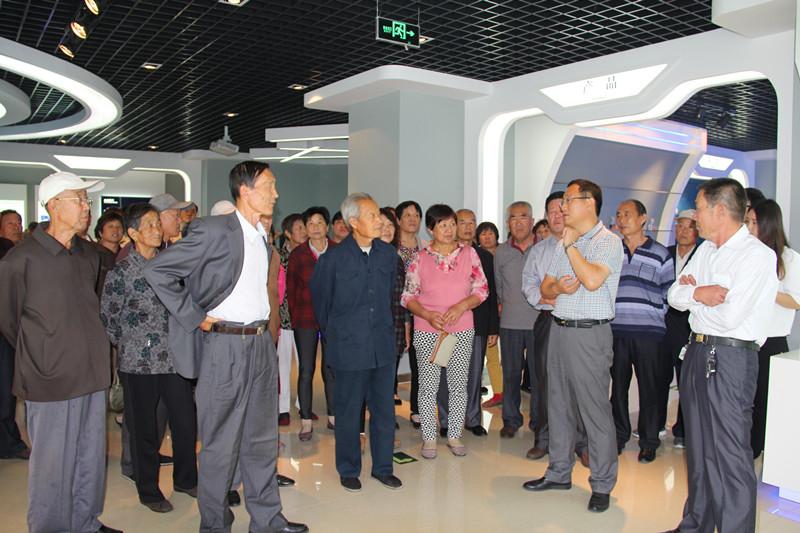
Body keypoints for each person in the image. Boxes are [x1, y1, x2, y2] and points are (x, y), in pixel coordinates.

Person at [144, 161, 307, 533]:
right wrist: (194, 315)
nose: (276, 193)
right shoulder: (214, 229)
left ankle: (267, 519)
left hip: (260, 344)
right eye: (269, 186)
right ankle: (215, 523)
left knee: (262, 439)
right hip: (224, 346)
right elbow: (158, 270)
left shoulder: (262, 237)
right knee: (219, 442)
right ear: (245, 191)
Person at [0, 171, 122, 533]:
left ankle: (85, 522)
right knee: (52, 464)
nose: (86, 207)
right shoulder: (20, 259)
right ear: (53, 205)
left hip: (92, 372)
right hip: (50, 378)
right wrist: (44, 352)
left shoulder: (89, 255)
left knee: (89, 456)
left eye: (86, 200)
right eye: (78, 200)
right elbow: (8, 321)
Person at [664, 178, 777, 533]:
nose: (694, 217)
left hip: (731, 358)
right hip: (697, 351)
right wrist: (701, 294)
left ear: (719, 210)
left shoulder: (757, 256)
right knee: (698, 449)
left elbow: (730, 317)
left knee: (729, 454)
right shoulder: (706, 251)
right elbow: (674, 296)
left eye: (698, 209)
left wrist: (694, 297)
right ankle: (696, 524)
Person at [523, 179, 623, 515]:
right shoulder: (566, 242)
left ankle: (603, 483)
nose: (562, 207)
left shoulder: (608, 242)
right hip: (560, 329)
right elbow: (547, 287)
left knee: (594, 411)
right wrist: (560, 288)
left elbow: (592, 280)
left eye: (568, 200)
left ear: (589, 202)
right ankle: (558, 472)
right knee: (558, 405)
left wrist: (570, 249)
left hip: (590, 334)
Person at [101, 203, 198, 513]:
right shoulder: (121, 272)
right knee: (144, 429)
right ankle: (149, 490)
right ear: (133, 233)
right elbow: (109, 318)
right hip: (139, 362)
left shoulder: (171, 264)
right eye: (150, 225)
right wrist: (134, 342)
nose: (157, 230)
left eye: (158, 223)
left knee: (185, 421)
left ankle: (186, 479)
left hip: (174, 357)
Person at [310, 193, 402, 492]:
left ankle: (383, 468)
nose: (380, 221)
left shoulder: (388, 255)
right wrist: (338, 338)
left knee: (384, 411)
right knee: (349, 413)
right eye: (372, 216)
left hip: (382, 346)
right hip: (349, 348)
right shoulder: (332, 260)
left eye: (379, 215)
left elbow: (390, 297)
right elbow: (322, 305)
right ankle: (349, 468)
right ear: (354, 222)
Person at [401, 204, 489, 459]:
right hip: (428, 330)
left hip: (461, 329)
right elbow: (407, 297)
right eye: (443, 225)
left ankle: (454, 435)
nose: (450, 229)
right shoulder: (420, 258)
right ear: (431, 229)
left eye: (452, 224)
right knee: (428, 387)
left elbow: (482, 289)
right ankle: (429, 438)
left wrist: (461, 306)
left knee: (458, 385)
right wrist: (427, 314)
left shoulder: (469, 254)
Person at [522, 191, 590, 467]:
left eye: (561, 209)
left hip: (579, 322)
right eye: (551, 211)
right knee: (544, 381)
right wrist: (544, 298)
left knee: (579, 381)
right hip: (548, 320)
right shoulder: (538, 251)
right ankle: (543, 438)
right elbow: (528, 283)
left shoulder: (587, 245)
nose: (556, 215)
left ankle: (582, 442)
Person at [610, 199, 674, 463]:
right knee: (618, 387)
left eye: (627, 214)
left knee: (650, 388)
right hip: (617, 330)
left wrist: (653, 315)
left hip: (649, 332)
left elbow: (669, 292)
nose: (621, 219)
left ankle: (649, 441)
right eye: (618, 214)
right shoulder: (612, 251)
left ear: (643, 219)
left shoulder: (660, 253)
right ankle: (618, 435)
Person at [436, 209, 498, 437]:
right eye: (462, 222)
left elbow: (491, 294)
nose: (468, 226)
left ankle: (472, 419)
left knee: (473, 375)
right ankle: (446, 420)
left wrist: (493, 328)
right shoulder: (442, 254)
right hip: (448, 325)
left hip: (477, 324)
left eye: (472, 222)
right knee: (445, 374)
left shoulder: (485, 257)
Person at [745, 199, 799, 459]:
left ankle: (758, 450)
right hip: (746, 338)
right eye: (747, 221)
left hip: (773, 341)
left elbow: (796, 300)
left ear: (768, 224)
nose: (749, 227)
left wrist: (768, 289)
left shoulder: (789, 258)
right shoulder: (748, 255)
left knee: (765, 402)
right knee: (745, 400)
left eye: (754, 222)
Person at [288, 206, 337, 440]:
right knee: (306, 370)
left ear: (327, 226)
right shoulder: (298, 255)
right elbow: (291, 290)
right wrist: (295, 318)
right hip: (305, 318)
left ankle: (333, 416)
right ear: (306, 228)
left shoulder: (337, 251)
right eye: (310, 223)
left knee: (331, 369)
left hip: (333, 319)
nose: (315, 227)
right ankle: (306, 421)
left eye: (320, 222)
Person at [494, 201, 539, 438]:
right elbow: (498, 287)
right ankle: (511, 419)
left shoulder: (544, 247)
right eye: (513, 218)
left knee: (539, 375)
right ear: (507, 223)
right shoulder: (501, 252)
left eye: (523, 217)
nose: (518, 222)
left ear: (532, 221)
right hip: (510, 322)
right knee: (511, 373)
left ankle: (538, 421)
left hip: (539, 322)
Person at [658, 209, 700, 449]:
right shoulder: (665, 253)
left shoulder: (703, 255)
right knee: (659, 376)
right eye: (680, 226)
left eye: (689, 227)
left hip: (688, 325)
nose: (683, 231)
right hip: (663, 323)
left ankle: (683, 430)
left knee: (686, 380)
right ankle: (656, 424)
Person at [0, 209, 30, 462]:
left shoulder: (22, 252)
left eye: (18, 222)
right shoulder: (7, 252)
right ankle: (9, 442)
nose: (16, 226)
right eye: (10, 223)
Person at [274, 214, 307, 426]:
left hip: (304, 319)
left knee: (306, 366)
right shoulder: (279, 257)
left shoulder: (308, 255)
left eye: (305, 227)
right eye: (299, 228)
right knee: (283, 366)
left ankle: (304, 405)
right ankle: (283, 408)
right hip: (284, 319)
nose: (304, 231)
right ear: (288, 233)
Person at [395, 200, 425, 428]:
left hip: (420, 312)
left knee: (420, 363)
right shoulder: (390, 247)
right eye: (407, 215)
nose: (413, 219)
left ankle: (417, 409)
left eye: (416, 215)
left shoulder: (426, 248)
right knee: (390, 364)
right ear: (398, 220)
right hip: (395, 312)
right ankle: (386, 409)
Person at [378, 207, 409, 406]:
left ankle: (386, 416)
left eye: (390, 225)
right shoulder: (366, 257)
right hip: (375, 327)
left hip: (396, 324)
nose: (387, 229)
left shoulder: (396, 258)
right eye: (382, 225)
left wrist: (406, 327)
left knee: (390, 375)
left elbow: (403, 294)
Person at [476, 221, 504, 409]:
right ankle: (498, 392)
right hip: (486, 312)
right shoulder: (475, 256)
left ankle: (504, 391)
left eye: (490, 233)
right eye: (483, 234)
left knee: (506, 356)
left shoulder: (504, 253)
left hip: (507, 310)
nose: (487, 237)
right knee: (490, 354)